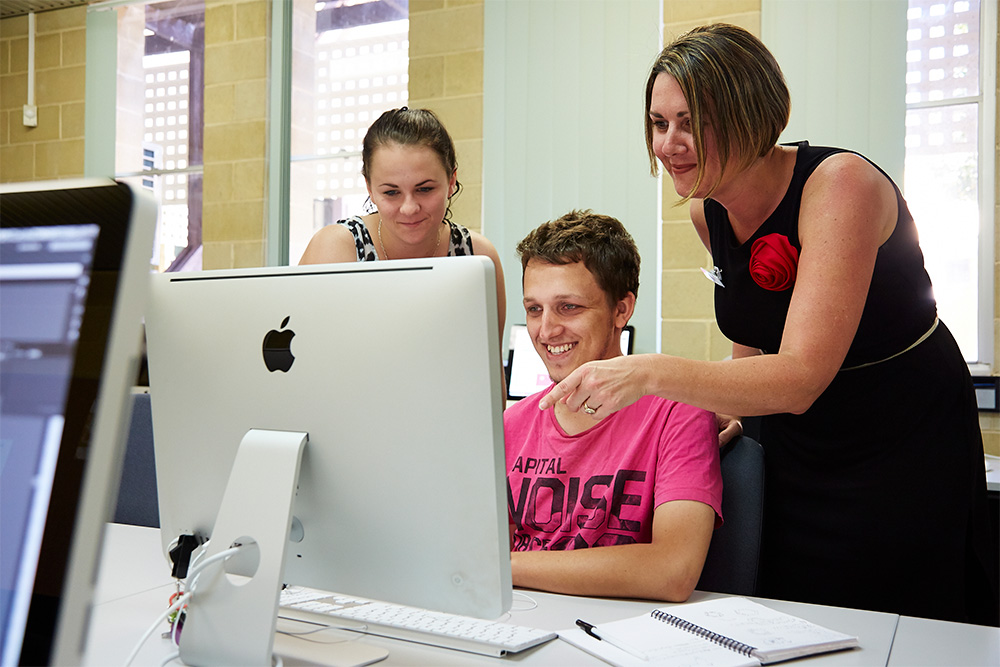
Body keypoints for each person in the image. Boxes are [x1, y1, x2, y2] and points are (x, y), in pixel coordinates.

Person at [539, 24, 998, 625]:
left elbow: (801, 375)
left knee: (896, 614)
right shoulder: (709, 213)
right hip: (797, 440)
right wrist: (708, 424)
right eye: (658, 123)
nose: (669, 143)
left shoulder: (840, 187)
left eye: (691, 122)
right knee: (796, 606)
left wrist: (648, 373)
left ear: (749, 113)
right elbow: (752, 348)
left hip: (898, 431)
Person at [506, 210, 723, 602]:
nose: (546, 330)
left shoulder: (677, 413)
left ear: (621, 310)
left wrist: (504, 567)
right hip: (520, 618)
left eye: (568, 307)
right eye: (534, 309)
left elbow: (672, 572)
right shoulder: (511, 424)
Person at [299, 107, 505, 332]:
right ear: (369, 187)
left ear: (451, 180)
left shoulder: (476, 256)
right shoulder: (336, 250)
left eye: (425, 189)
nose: (409, 208)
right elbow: (302, 355)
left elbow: (490, 364)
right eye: (391, 192)